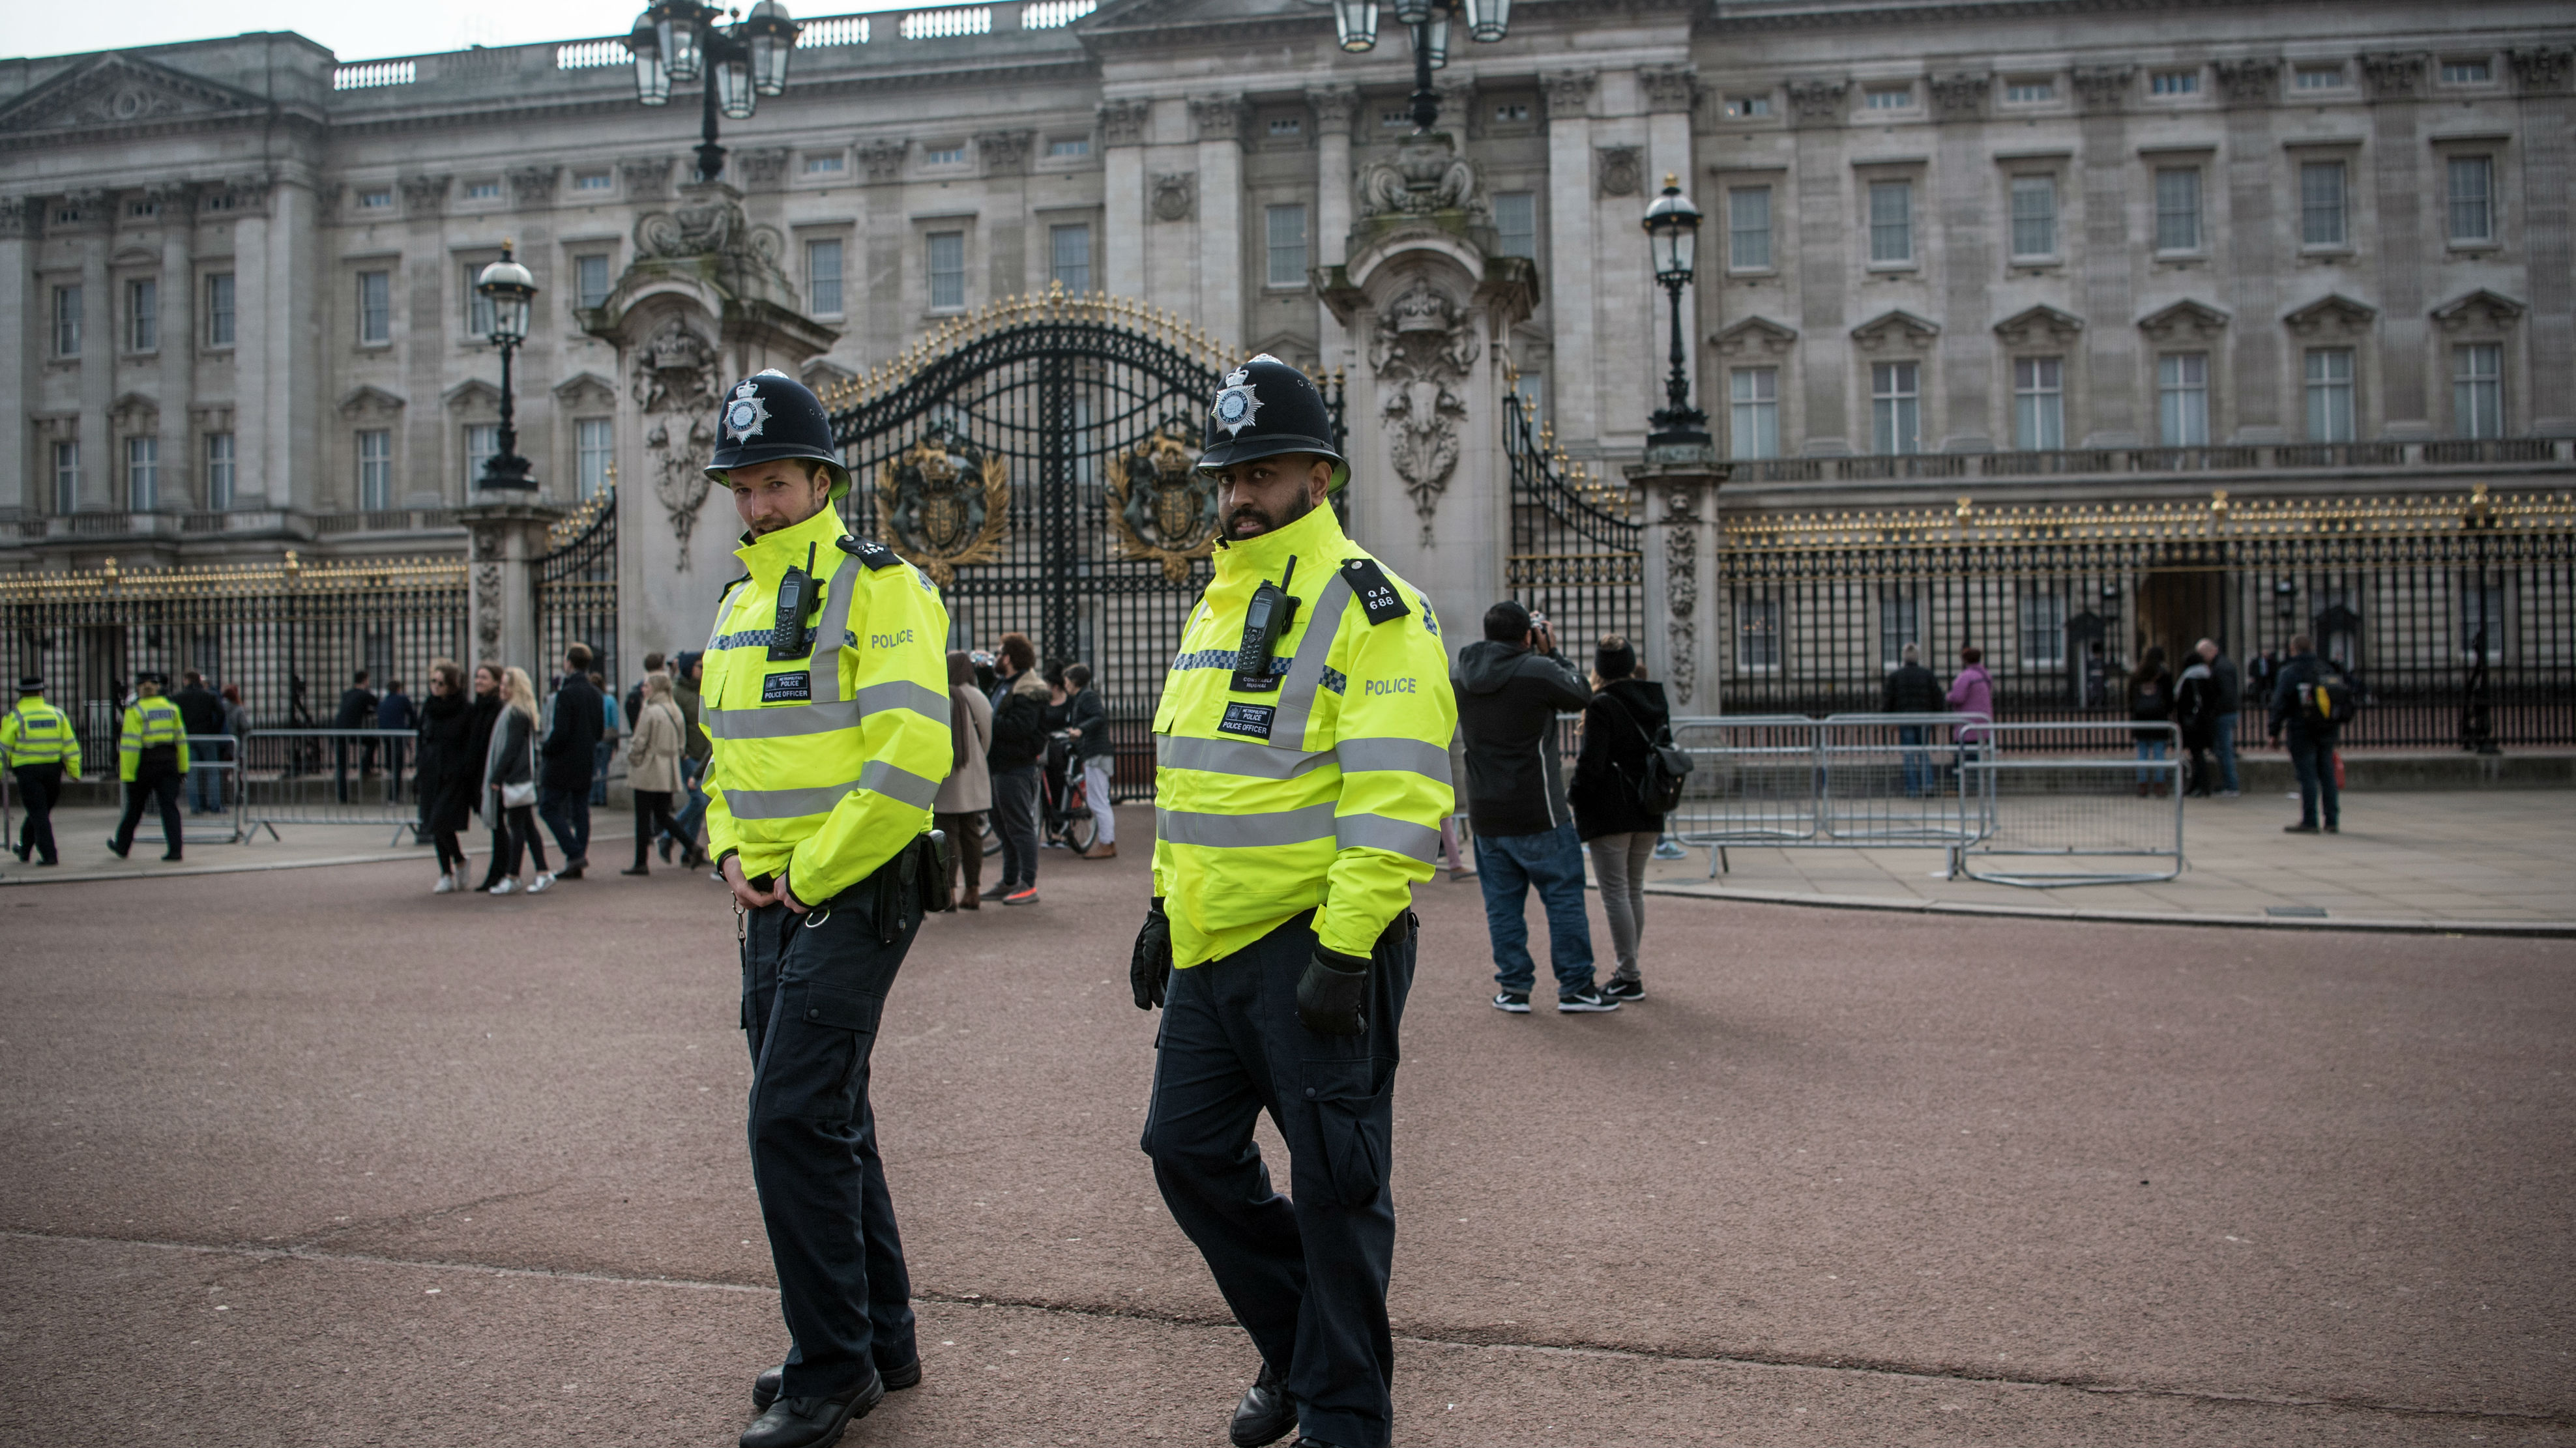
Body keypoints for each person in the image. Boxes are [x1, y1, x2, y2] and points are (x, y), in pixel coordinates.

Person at [1129, 354, 1456, 1448]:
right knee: (1183, 1151)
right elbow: (1190, 778)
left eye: (1260, 472)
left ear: (1318, 475)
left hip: (1318, 944)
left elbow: (1397, 792)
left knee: (1336, 1191)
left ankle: (1346, 1418)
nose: (1237, 493)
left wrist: (1349, 941)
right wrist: (1162, 907)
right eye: (1229, 473)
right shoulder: (1217, 606)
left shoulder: (1376, 606)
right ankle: (1304, 1349)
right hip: (1214, 945)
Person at [694, 369, 952, 1448]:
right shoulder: (739, 601)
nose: (758, 505)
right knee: (828, 1111)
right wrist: (728, 854)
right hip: (770, 894)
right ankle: (877, 1337)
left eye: (775, 483)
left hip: (856, 886)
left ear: (820, 478)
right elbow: (730, 761)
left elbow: (909, 754)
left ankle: (830, 1364)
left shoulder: (879, 584)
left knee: (788, 1115)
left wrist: (808, 874)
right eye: (743, 488)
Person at [1455, 598, 1617, 1015]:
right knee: (1563, 899)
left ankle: (1513, 988)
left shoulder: (1461, 672)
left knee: (1502, 907)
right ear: (1528, 634)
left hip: (1486, 813)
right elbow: (1582, 693)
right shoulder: (1537, 669)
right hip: (1539, 810)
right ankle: (1577, 986)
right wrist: (1552, 651)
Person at [1570, 634, 1669, 1003]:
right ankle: (1629, 970)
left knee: (1615, 894)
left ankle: (1629, 975)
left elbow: (1591, 765)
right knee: (1634, 890)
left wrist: (1575, 797)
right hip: (1649, 804)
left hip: (1611, 809)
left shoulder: (1601, 704)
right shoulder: (1655, 697)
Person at [984, 632, 1048, 906]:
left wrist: (987, 722)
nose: (996, 658)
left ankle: (1028, 883)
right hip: (998, 765)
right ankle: (1010, 879)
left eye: (999, 653)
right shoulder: (1004, 684)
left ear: (1009, 657)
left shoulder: (1028, 689)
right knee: (1002, 827)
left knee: (1020, 826)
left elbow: (1022, 728)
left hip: (1016, 767)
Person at [932, 650, 994, 909]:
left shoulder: (941, 696)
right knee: (972, 833)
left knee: (947, 835)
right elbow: (988, 738)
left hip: (948, 777)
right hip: (974, 773)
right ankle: (974, 889)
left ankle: (949, 893)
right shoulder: (979, 697)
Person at [414, 659, 482, 893]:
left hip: (453, 773)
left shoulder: (465, 709)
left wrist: (465, 770)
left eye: (440, 683)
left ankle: (459, 861)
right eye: (433, 682)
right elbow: (421, 737)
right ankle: (447, 871)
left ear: (452, 684)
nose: (435, 687)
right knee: (433, 824)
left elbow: (469, 743)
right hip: (431, 771)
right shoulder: (429, 707)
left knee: (440, 820)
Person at [484, 666, 553, 894]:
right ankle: (542, 872)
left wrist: (498, 775)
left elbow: (511, 748)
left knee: (518, 828)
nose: (502, 688)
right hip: (519, 775)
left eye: (506, 684)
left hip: (516, 777)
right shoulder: (519, 712)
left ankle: (513, 875)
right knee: (527, 827)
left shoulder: (516, 713)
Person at [537, 644, 604, 878]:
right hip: (586, 759)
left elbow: (561, 732)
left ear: (569, 663)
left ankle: (574, 853)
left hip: (563, 762)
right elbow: (599, 730)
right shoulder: (596, 694)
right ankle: (576, 858)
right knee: (580, 810)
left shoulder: (567, 693)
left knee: (548, 807)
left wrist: (546, 749)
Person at [108, 671, 189, 862]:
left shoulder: (135, 711)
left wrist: (127, 774)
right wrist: (183, 768)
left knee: (135, 809)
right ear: (158, 687)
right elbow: (182, 740)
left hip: (144, 765)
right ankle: (175, 850)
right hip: (169, 764)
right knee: (169, 808)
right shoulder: (172, 708)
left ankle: (122, 846)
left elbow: (130, 746)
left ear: (139, 688)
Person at [4, 675, 81, 867]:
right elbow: (70, 746)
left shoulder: (15, 717)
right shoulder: (57, 714)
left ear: (21, 694)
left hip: (27, 770)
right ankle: (24, 849)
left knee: (38, 813)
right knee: (40, 812)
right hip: (53, 770)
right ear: (41, 692)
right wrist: (74, 771)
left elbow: (2, 749)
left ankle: (49, 855)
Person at [2268, 633, 2342, 835]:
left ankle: (2310, 820)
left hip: (2302, 730)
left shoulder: (2290, 672)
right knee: (2327, 775)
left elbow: (2280, 703)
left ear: (2294, 650)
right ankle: (2332, 819)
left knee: (2307, 777)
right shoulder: (2325, 668)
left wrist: (2273, 731)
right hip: (2327, 730)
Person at [622, 671, 688, 876]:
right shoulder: (675, 710)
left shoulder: (650, 711)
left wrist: (633, 759)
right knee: (662, 814)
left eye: (647, 686)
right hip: (668, 768)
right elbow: (681, 743)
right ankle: (691, 845)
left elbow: (639, 742)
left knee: (643, 818)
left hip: (649, 768)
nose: (644, 690)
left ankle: (641, 862)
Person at [1064, 661, 1116, 860]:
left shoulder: (1086, 696)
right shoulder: (1082, 697)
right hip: (1095, 753)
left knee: (1098, 801)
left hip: (1097, 754)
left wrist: (1080, 730)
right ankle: (1107, 842)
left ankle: (1107, 843)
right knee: (1098, 800)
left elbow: (1099, 717)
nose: (1065, 684)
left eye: (1067, 680)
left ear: (1075, 681)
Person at [665, 650, 713, 866]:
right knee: (699, 800)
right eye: (699, 666)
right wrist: (681, 750)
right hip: (688, 754)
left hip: (705, 753)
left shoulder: (704, 689)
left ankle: (689, 850)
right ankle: (669, 836)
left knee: (700, 804)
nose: (703, 670)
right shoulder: (677, 693)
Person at [466, 663, 510, 891]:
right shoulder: (477, 708)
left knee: (500, 824)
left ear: (495, 681)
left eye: (483, 678)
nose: (478, 682)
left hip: (494, 774)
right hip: (479, 773)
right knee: (496, 824)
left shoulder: (498, 708)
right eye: (477, 678)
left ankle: (501, 870)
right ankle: (502, 869)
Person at [1881, 641, 1944, 797]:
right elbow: (1937, 696)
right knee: (1923, 752)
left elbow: (1888, 698)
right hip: (1924, 717)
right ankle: (1928, 786)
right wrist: (1938, 715)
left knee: (1909, 754)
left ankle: (1912, 789)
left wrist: (1888, 718)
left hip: (1905, 717)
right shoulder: (1927, 674)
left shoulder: (1896, 676)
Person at [173, 669, 226, 815]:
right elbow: (221, 713)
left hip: (188, 737)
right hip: (207, 736)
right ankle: (216, 805)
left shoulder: (179, 698)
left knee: (193, 773)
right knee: (213, 772)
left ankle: (196, 807)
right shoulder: (208, 696)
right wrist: (214, 730)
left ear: (186, 681)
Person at [2199, 637, 2243, 796]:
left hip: (2224, 714)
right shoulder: (2222, 664)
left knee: (2225, 750)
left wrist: (2215, 710)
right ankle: (2228, 784)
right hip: (2225, 712)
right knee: (2222, 750)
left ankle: (2231, 786)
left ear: (2212, 651)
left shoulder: (2221, 667)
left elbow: (2226, 694)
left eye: (2203, 655)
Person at [1946, 644, 1994, 792]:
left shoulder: (1966, 676)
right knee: (1977, 756)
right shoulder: (1985, 675)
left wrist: (1948, 696)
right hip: (1983, 722)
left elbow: (1958, 697)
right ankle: (1977, 786)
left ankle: (1960, 787)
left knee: (1961, 758)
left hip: (1967, 723)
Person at [2130, 645, 2174, 798]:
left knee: (2142, 753)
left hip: (2141, 717)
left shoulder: (2137, 674)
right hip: (2159, 717)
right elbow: (2170, 699)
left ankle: (2142, 786)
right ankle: (2159, 785)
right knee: (2159, 753)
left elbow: (2131, 698)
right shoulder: (2164, 675)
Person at [2173, 648, 2218, 798]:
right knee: (2198, 756)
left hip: (2192, 724)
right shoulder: (2207, 676)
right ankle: (2199, 785)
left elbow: (2181, 703)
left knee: (2197, 756)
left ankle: (2200, 785)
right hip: (2204, 722)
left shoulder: (2189, 678)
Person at [333, 668, 379, 801]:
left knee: (341, 766)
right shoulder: (364, 694)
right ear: (365, 680)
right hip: (352, 730)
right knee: (373, 741)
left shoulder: (346, 694)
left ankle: (343, 798)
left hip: (338, 729)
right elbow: (377, 705)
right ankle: (365, 767)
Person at [377, 679, 417, 805]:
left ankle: (391, 795)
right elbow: (413, 715)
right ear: (399, 689)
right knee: (397, 766)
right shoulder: (402, 699)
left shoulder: (383, 701)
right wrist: (409, 730)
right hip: (398, 735)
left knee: (391, 766)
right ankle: (393, 796)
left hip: (387, 736)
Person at [591, 669, 619, 808]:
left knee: (593, 768)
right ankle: (602, 797)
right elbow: (615, 721)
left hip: (592, 737)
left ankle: (593, 797)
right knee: (603, 768)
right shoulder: (609, 700)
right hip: (607, 737)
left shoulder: (590, 698)